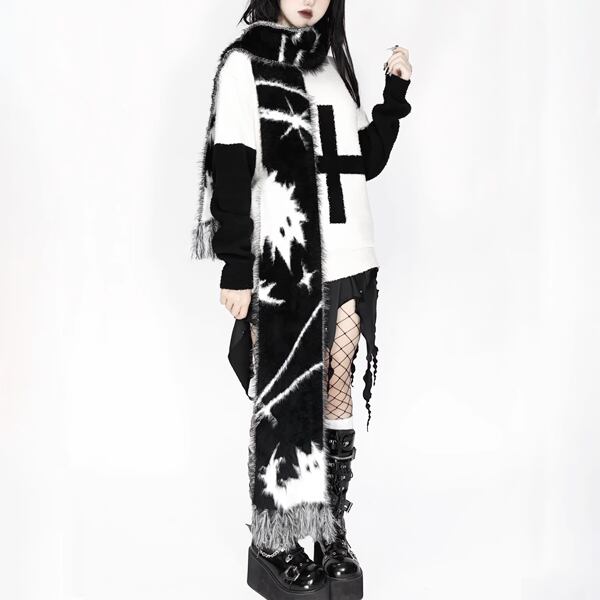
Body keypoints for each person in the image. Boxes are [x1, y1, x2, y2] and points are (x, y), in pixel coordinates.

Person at [192, 1, 413, 598]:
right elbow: (232, 167)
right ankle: (276, 539)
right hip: (287, 264)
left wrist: (393, 97)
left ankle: (331, 530)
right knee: (287, 394)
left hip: (350, 254)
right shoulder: (246, 65)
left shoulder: (330, 66)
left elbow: (362, 161)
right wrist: (236, 266)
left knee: (338, 383)